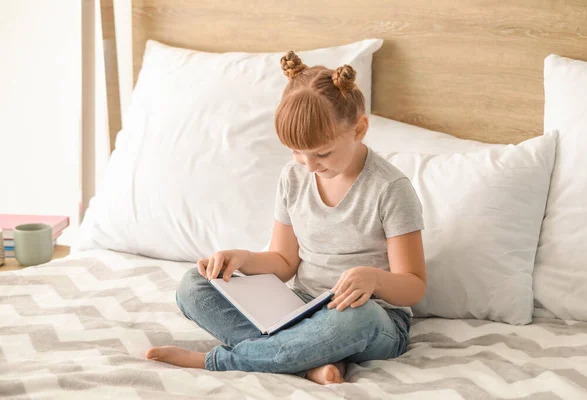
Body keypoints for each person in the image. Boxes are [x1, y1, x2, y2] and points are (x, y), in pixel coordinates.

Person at [146, 50, 427, 385]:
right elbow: (283, 262)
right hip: (299, 309)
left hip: (372, 318)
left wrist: (374, 280)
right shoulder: (293, 179)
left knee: (359, 317)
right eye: (296, 152)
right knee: (194, 285)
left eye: (322, 153)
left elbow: (413, 286)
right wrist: (243, 260)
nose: (309, 166)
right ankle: (308, 362)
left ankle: (220, 361)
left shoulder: (390, 189)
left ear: (359, 129)